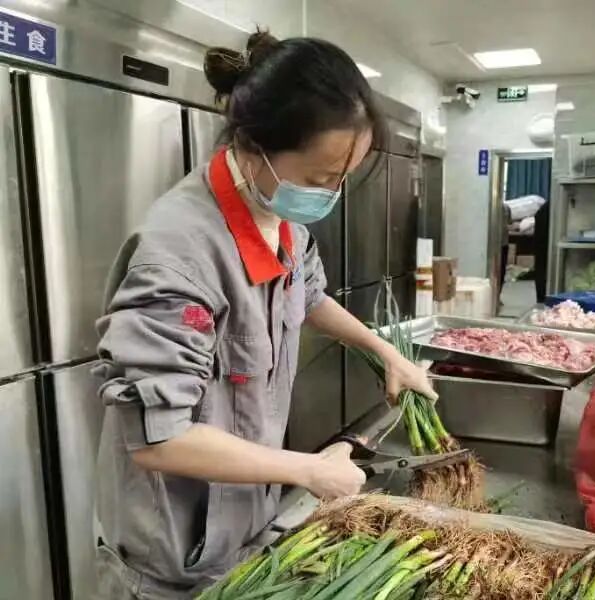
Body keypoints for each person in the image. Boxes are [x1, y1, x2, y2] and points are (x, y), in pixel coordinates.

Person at [92, 30, 437, 599]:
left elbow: (309, 296)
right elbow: (158, 439)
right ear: (254, 148)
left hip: (244, 524)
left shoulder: (280, 220)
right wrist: (307, 470)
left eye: (343, 178)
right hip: (172, 555)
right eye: (320, 178)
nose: (331, 193)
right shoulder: (178, 257)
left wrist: (385, 351)